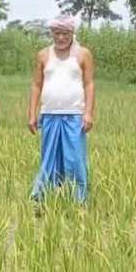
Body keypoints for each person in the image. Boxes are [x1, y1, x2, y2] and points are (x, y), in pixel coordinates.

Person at [28, 16, 95, 204]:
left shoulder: (82, 54)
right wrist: (32, 114)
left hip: (74, 115)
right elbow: (36, 85)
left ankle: (78, 200)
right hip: (49, 114)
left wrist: (88, 113)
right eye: (57, 33)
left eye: (65, 33)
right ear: (52, 34)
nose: (61, 38)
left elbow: (89, 84)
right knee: (49, 157)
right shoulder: (43, 55)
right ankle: (43, 196)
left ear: (72, 33)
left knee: (74, 158)